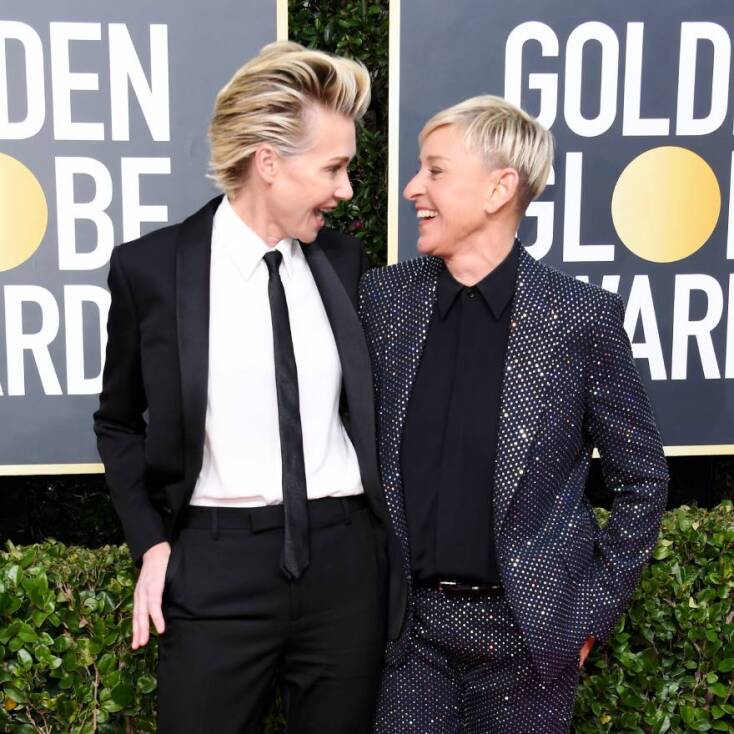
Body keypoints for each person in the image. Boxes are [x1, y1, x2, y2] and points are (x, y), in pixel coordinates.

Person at [94, 41, 405, 734]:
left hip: (344, 565)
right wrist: (151, 543)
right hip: (217, 570)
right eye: (333, 168)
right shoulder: (152, 271)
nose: (346, 191)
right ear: (268, 162)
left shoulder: (345, 263)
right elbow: (117, 421)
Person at [359, 95, 669, 734]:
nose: (413, 188)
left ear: (500, 188)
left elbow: (643, 480)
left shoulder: (578, 318)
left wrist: (586, 613)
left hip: (528, 645)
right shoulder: (383, 301)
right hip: (410, 640)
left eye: (435, 171)